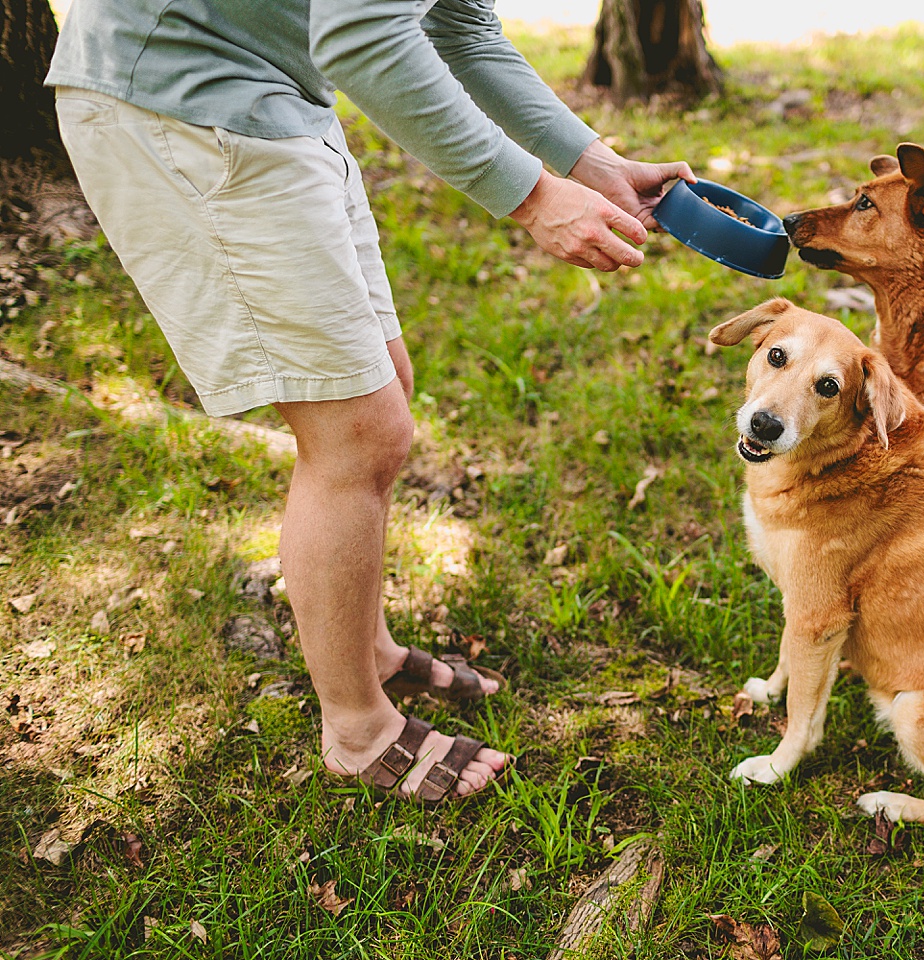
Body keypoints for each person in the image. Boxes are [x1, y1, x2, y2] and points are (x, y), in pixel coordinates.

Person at [45, 0, 695, 804]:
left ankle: (369, 652)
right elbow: (361, 37)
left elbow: (458, 25)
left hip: (271, 97)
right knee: (356, 434)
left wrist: (589, 161)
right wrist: (533, 196)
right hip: (179, 99)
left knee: (385, 388)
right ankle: (357, 730)